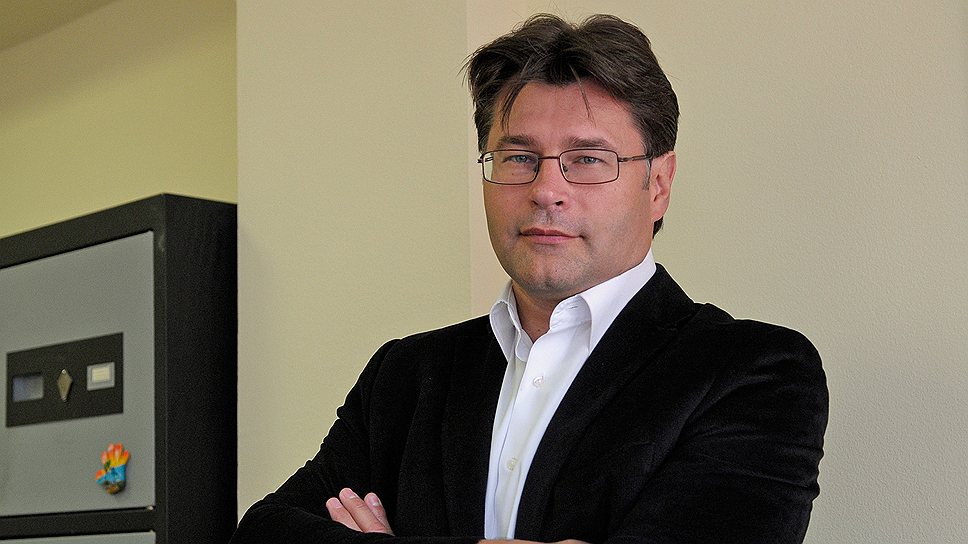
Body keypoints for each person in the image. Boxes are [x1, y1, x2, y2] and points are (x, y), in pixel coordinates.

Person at [230, 13, 827, 544]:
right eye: (518, 157)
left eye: (587, 159)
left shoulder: (752, 374)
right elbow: (263, 532)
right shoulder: (405, 378)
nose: (546, 190)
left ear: (659, 184)